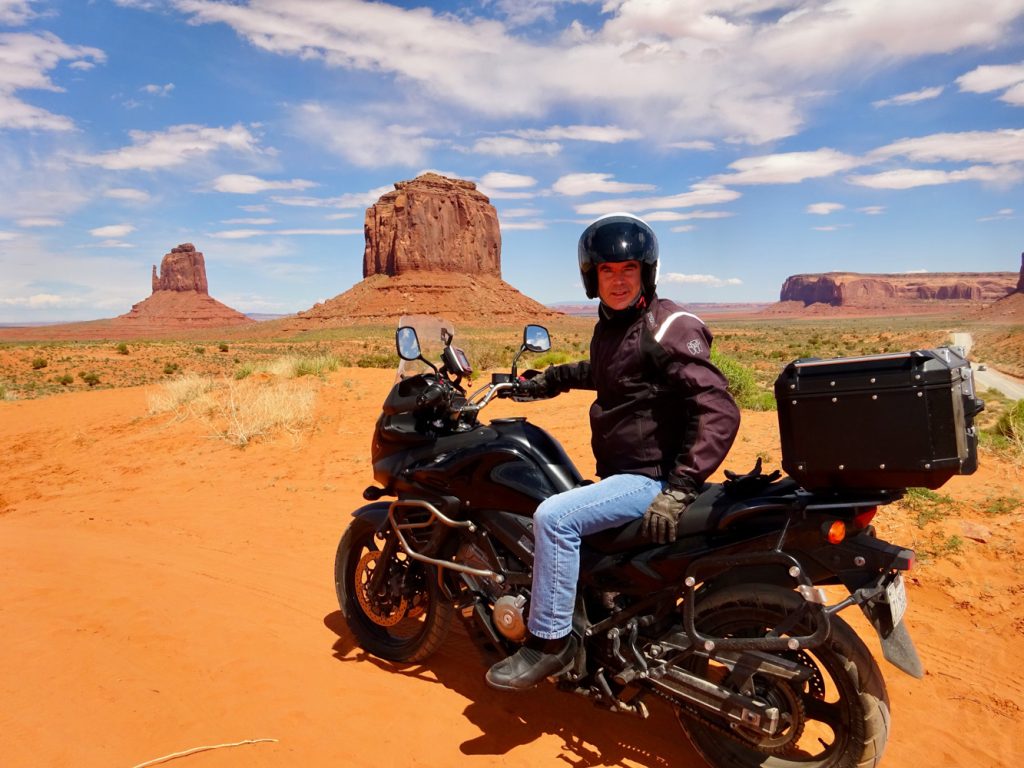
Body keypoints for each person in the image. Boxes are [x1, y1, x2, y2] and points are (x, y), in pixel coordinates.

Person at [485, 212, 741, 691]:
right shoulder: (615, 325)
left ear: (646, 272)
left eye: (628, 270)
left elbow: (717, 408)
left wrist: (680, 487)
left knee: (553, 518)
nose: (619, 281)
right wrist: (546, 382)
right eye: (608, 271)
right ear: (592, 276)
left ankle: (549, 643)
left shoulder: (665, 325)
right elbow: (609, 373)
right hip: (628, 473)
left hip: (651, 478)